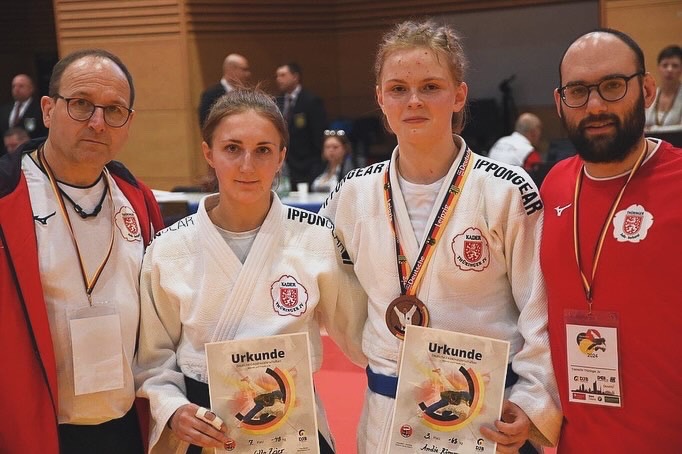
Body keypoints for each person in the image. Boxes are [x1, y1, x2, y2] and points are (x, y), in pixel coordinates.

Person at [319, 20, 561, 454]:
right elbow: (325, 288)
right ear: (380, 99)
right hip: (387, 414)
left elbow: (539, 309)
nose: (413, 100)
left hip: (488, 413)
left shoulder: (506, 190)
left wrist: (530, 400)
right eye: (398, 89)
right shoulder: (352, 195)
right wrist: (371, 348)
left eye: (430, 86)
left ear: (459, 95)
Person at [134, 88, 366, 454]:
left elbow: (363, 335)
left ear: (281, 157)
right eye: (232, 148)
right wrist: (174, 409)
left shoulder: (315, 239)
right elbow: (153, 357)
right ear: (208, 153)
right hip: (205, 428)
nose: (247, 165)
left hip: (294, 425)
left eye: (263, 150)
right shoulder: (169, 248)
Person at [0, 49, 164, 453]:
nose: (97, 122)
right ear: (48, 109)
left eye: (114, 110)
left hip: (128, 426)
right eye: (81, 104)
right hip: (33, 430)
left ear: (128, 123)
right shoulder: (7, 196)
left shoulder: (138, 199)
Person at [541, 28, 682, 451]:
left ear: (647, 90)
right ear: (559, 102)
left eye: (613, 85)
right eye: (578, 91)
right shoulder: (553, 186)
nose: (596, 105)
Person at [275, 62, 327, 187]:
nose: (278, 79)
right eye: (277, 76)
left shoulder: (310, 101)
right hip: (285, 166)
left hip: (307, 165)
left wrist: (316, 165)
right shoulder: (277, 102)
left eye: (283, 75)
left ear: (295, 77)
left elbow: (318, 136)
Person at [0, 73, 48, 155]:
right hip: (6, 155)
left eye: (21, 86)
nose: (16, 89)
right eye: (14, 86)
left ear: (31, 88)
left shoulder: (39, 109)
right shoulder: (4, 110)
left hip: (31, 152)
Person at [198, 53, 251, 127]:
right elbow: (205, 123)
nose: (248, 74)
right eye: (244, 70)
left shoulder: (248, 93)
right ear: (231, 69)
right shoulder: (211, 94)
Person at [645, 44, 682, 132]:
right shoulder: (650, 94)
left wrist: (655, 130)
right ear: (659, 68)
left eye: (675, 66)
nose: (669, 70)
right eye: (665, 65)